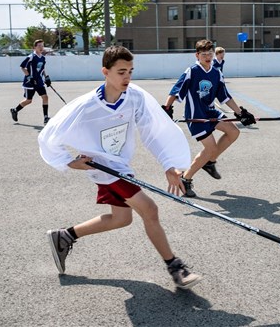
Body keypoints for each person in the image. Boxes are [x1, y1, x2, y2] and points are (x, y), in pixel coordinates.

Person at [38, 45, 202, 289]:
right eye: (121, 72)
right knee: (150, 209)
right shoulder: (86, 106)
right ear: (105, 71)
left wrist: (169, 164)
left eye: (130, 71)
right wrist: (70, 162)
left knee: (121, 219)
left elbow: (154, 130)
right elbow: (49, 135)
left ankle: (65, 236)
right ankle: (175, 267)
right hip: (104, 168)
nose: (127, 77)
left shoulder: (135, 97)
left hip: (120, 166)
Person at [162, 39, 256, 198]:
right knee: (210, 148)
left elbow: (224, 97)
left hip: (211, 112)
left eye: (210, 54)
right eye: (204, 54)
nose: (207, 57)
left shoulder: (216, 73)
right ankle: (186, 178)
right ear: (197, 55)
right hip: (196, 115)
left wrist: (240, 113)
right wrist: (167, 108)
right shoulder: (192, 71)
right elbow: (176, 90)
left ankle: (209, 161)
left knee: (233, 132)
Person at [10, 39, 52, 124]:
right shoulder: (31, 56)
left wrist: (46, 77)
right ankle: (15, 110)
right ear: (34, 47)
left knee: (45, 97)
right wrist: (29, 77)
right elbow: (22, 67)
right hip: (30, 82)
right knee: (28, 100)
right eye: (39, 46)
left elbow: (42, 69)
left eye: (42, 46)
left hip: (39, 81)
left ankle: (45, 117)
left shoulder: (43, 58)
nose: (41, 47)